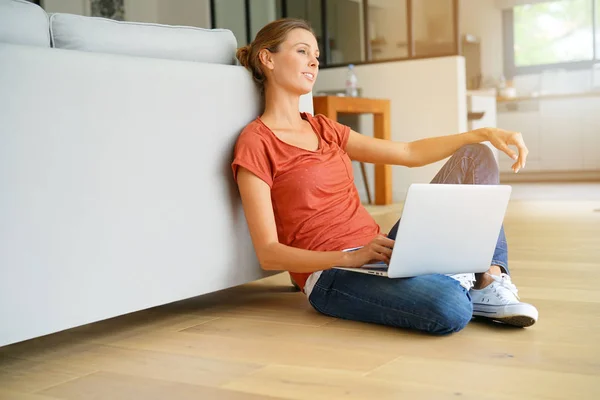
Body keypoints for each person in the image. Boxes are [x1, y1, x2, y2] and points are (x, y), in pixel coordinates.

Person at [231, 18, 538, 334]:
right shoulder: (256, 141)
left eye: (317, 55)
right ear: (268, 59)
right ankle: (458, 276)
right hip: (334, 273)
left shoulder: (323, 127)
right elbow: (268, 253)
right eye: (302, 51)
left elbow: (407, 153)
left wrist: (482, 133)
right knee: (451, 308)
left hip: (383, 250)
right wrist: (352, 258)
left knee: (476, 154)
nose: (314, 61)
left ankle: (488, 278)